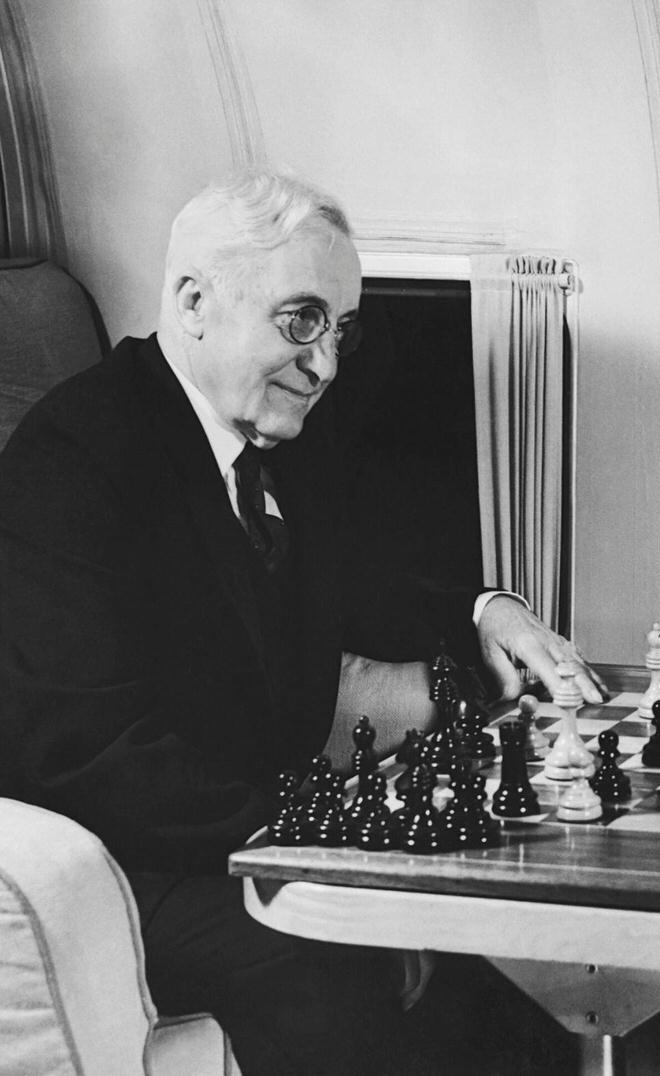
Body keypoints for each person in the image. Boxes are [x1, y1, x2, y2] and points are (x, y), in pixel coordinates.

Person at [0, 168, 601, 1075]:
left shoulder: (273, 440)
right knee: (344, 973)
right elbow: (89, 752)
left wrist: (489, 610)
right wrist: (323, 846)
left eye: (339, 330)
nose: (324, 364)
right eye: (301, 320)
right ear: (195, 301)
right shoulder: (74, 457)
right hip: (126, 873)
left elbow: (368, 587)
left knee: (503, 954)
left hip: (240, 835)